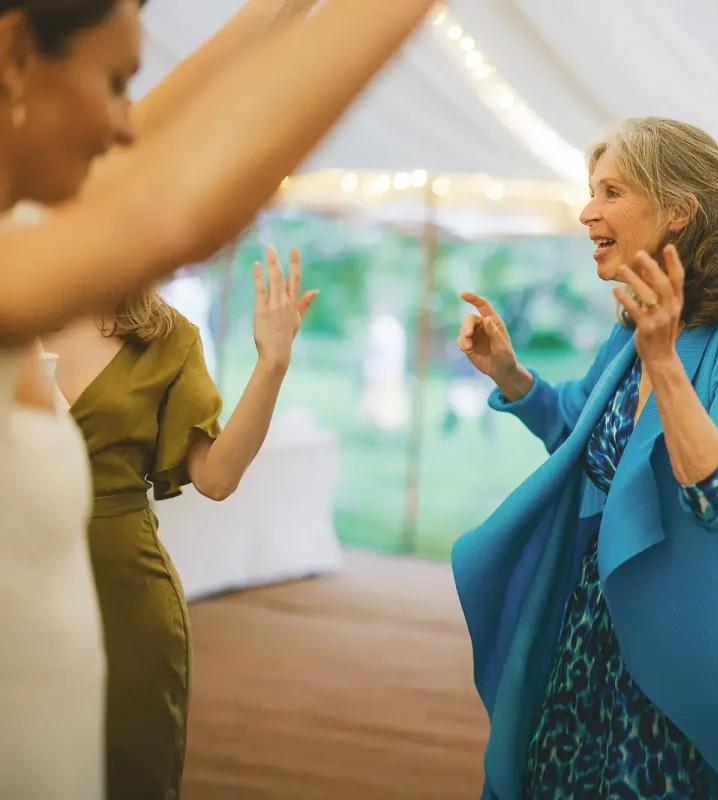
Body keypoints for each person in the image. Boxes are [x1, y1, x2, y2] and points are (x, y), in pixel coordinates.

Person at [0, 1, 436, 797]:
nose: (129, 125)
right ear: (14, 56)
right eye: (114, 80)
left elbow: (154, 160)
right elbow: (166, 203)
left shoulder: (47, 254)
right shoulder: (20, 267)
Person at [452, 117, 718, 800]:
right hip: (582, 637)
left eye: (610, 192)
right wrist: (511, 375)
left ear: (677, 212)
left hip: (669, 655)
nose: (587, 212)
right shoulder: (630, 329)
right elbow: (579, 432)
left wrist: (663, 363)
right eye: (591, 193)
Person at [43, 244, 313, 798]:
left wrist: (272, 365)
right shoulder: (16, 315)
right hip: (19, 581)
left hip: (124, 598)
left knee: (125, 774)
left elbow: (216, 477)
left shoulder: (168, 338)